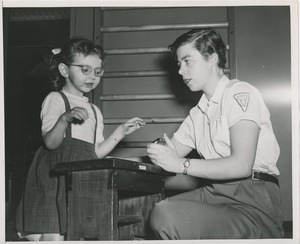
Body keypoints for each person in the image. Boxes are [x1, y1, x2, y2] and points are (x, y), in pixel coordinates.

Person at [147, 29, 284, 239]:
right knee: (159, 211)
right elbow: (169, 153)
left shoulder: (240, 93)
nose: (181, 71)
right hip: (214, 192)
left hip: (252, 196)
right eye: (178, 64)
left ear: (212, 58)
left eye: (187, 61)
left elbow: (241, 164)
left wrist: (180, 165)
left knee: (168, 215)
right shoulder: (198, 113)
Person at [16, 38, 145, 241]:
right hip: (54, 178)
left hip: (81, 181)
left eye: (97, 71)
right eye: (85, 70)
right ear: (65, 70)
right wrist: (65, 118)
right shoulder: (56, 99)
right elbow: (50, 143)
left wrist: (120, 132)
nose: (92, 77)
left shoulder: (94, 111)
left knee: (77, 232)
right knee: (54, 234)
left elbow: (94, 154)